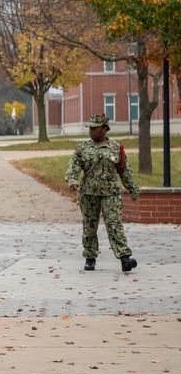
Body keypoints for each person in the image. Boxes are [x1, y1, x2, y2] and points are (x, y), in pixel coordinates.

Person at [65, 114, 140, 272]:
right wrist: (72, 180)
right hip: (88, 194)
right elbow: (74, 165)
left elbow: (125, 171)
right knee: (90, 226)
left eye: (95, 128)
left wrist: (133, 189)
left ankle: (124, 258)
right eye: (90, 128)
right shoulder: (82, 148)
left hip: (110, 193)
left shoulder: (116, 148)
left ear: (104, 129)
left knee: (114, 224)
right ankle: (90, 258)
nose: (91, 131)